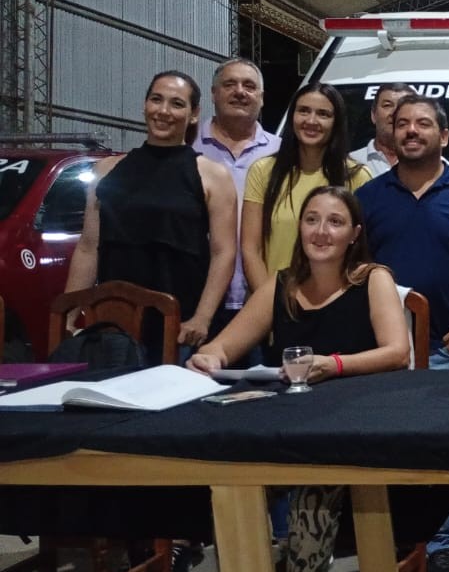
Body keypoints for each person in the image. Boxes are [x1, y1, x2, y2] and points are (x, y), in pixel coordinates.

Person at [187, 185, 410, 572]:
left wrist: (335, 365)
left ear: (354, 234)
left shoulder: (372, 279)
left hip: (350, 432)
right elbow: (225, 345)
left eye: (335, 222)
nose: (321, 231)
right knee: (231, 496)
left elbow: (397, 352)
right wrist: (210, 357)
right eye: (312, 219)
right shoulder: (282, 285)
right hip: (282, 429)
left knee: (313, 497)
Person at [358, 95, 449, 572]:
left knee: (447, 448)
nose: (411, 131)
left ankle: (442, 546)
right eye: (402, 123)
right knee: (391, 444)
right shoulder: (369, 196)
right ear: (390, 133)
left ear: (444, 136)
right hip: (385, 350)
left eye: (423, 124)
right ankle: (398, 542)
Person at [67, 70, 238, 360]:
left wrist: (202, 318)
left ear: (194, 114)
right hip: (114, 328)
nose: (163, 111)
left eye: (177, 103)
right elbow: (87, 247)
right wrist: (69, 315)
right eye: (156, 99)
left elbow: (224, 253)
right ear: (145, 105)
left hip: (180, 328)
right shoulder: (106, 171)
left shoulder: (213, 175)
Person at [242, 82, 371, 296]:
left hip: (333, 302)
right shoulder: (263, 171)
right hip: (270, 301)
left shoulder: (357, 176)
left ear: (336, 121)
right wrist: (272, 303)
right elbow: (250, 249)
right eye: (303, 111)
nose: (311, 121)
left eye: (323, 114)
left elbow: (360, 250)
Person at [192, 57, 281, 341]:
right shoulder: (188, 150)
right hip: (198, 303)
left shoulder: (282, 154)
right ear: (213, 93)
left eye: (249, 86)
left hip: (262, 298)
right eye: (230, 84)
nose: (240, 92)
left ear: (262, 98)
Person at [349, 81, 414, 176]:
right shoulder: (351, 163)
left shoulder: (431, 164)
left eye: (402, 106)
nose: (395, 113)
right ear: (373, 115)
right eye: (387, 105)